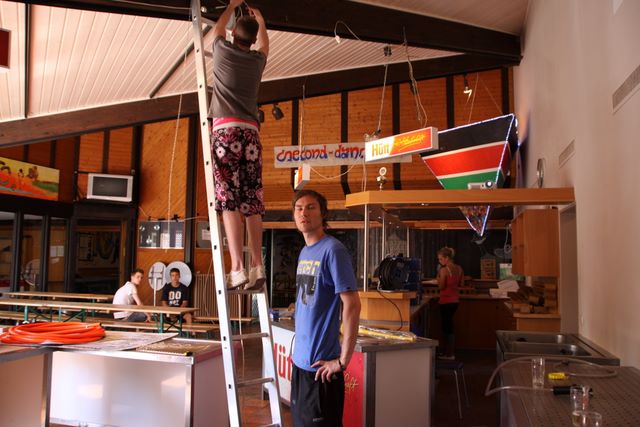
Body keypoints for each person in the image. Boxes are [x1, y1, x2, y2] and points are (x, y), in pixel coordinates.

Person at [209, 0, 269, 290]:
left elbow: (217, 30)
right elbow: (265, 44)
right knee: (252, 199)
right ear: (253, 40)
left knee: (228, 198)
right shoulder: (257, 61)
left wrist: (231, 5)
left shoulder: (223, 51)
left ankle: (237, 267)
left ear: (234, 34)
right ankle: (257, 265)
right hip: (250, 134)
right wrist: (261, 19)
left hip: (226, 132)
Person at [290, 189, 361, 426]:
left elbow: (352, 304)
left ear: (323, 214)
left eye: (311, 207)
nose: (304, 213)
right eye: (299, 208)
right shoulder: (304, 252)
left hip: (322, 370)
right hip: (301, 366)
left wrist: (342, 361)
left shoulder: (333, 250)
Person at [437, 247, 463, 360]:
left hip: (445, 301)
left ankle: (449, 354)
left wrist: (438, 278)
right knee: (449, 326)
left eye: (441, 259)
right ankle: (448, 352)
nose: (440, 261)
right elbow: (461, 283)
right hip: (455, 301)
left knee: (447, 328)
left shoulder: (444, 270)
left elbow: (441, 286)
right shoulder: (459, 268)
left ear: (447, 258)